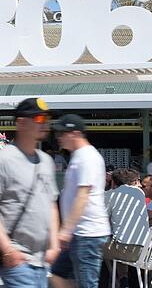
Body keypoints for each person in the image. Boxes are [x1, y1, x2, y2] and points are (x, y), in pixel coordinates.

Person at [0, 97, 60, 288]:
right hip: (17, 259)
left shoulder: (46, 161)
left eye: (47, 119)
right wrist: (7, 250)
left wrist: (54, 244)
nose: (45, 123)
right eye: (39, 119)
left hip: (42, 260)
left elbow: (52, 204)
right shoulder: (1, 160)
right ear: (21, 123)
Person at [50, 114, 111, 288]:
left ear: (74, 133)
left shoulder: (87, 158)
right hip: (79, 232)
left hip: (87, 233)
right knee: (57, 274)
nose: (58, 138)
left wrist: (66, 230)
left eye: (62, 133)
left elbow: (82, 196)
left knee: (86, 283)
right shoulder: (79, 156)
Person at [102, 168, 149, 287]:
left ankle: (116, 281)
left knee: (99, 246)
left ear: (113, 182)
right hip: (143, 249)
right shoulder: (140, 193)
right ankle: (123, 278)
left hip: (125, 250)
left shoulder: (111, 195)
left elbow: (102, 217)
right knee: (120, 241)